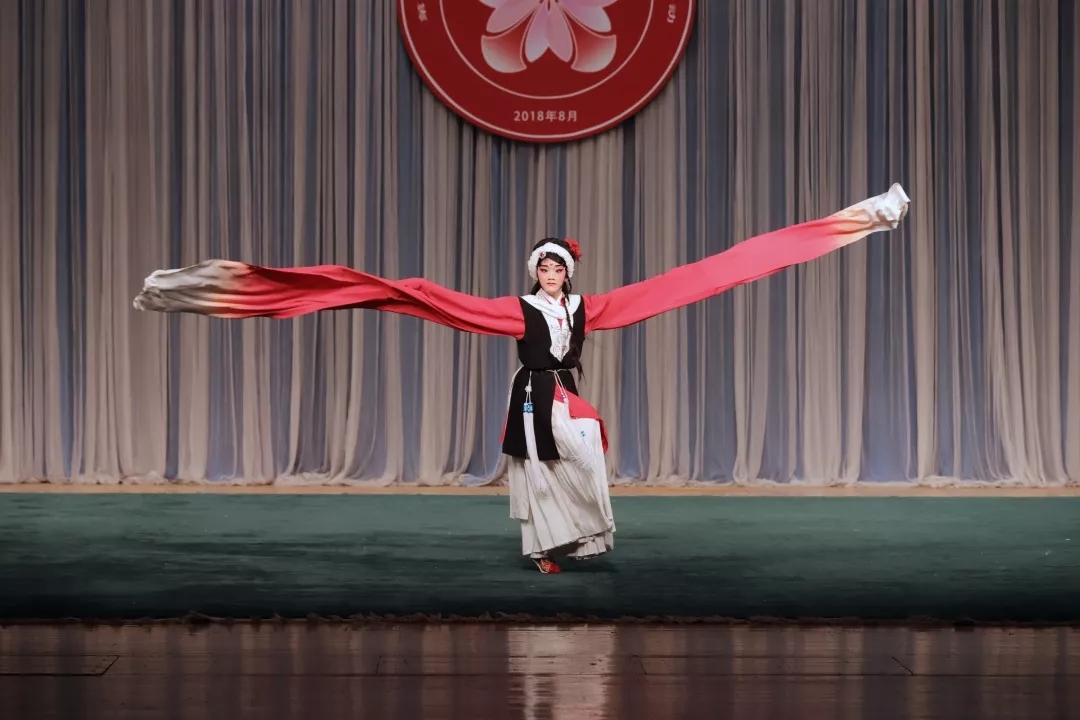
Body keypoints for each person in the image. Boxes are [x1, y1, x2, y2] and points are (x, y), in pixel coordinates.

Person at [134, 183, 910, 573]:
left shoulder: (591, 306)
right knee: (541, 473)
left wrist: (845, 225)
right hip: (532, 396)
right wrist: (393, 289)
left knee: (590, 452)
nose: (550, 272)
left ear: (568, 272)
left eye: (557, 266)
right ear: (533, 273)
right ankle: (547, 550)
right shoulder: (516, 310)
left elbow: (698, 277)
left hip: (563, 395)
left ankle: (864, 215)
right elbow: (428, 299)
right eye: (543, 265)